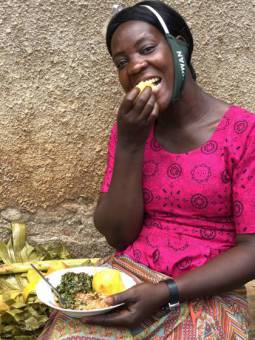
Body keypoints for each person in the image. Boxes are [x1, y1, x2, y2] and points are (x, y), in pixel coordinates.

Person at [39, 1, 254, 339]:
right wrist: (130, 143)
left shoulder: (244, 132)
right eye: (122, 62)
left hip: (207, 291)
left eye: (147, 48)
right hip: (129, 279)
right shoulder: (130, 131)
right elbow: (118, 235)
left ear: (179, 45)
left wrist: (167, 291)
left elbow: (252, 249)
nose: (135, 66)